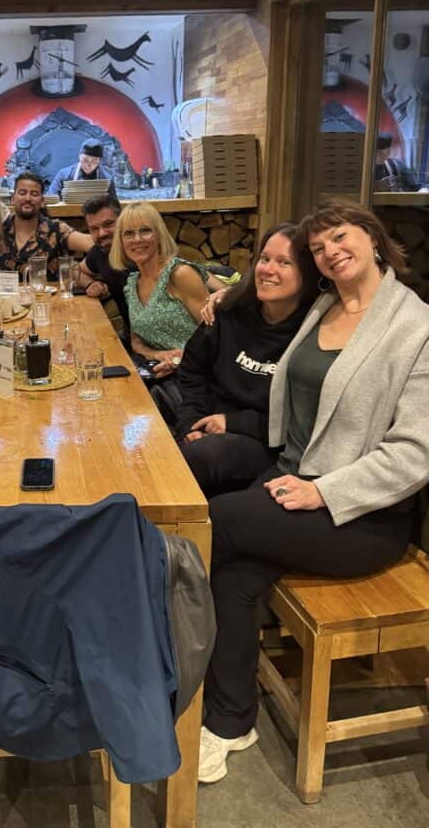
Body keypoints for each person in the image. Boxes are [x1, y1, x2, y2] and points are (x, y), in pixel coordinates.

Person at [199, 200, 429, 785]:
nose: (329, 252)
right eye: (320, 247)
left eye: (340, 237)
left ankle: (152, 664)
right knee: (236, 573)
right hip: (289, 479)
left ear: (373, 238)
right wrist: (222, 295)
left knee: (212, 523)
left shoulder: (416, 327)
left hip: (362, 516)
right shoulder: (324, 304)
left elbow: (415, 453)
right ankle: (230, 720)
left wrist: (324, 492)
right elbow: (263, 294)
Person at [174, 223, 318, 497]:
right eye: (264, 259)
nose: (268, 270)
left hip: (268, 442)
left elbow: (305, 419)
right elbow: (192, 372)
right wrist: (190, 425)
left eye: (284, 262)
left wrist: (233, 422)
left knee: (201, 457)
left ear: (308, 274)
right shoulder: (227, 312)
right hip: (206, 427)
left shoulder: (316, 333)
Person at [109, 202, 209, 379]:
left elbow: (216, 335)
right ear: (121, 242)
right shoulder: (131, 285)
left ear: (159, 235)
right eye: (129, 233)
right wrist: (159, 355)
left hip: (200, 375)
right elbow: (137, 343)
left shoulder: (179, 274)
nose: (137, 239)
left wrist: (179, 360)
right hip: (160, 374)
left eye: (145, 230)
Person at [0, 171, 93, 281]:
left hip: (45, 297)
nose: (28, 198)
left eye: (34, 194)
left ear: (42, 201)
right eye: (22, 193)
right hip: (2, 297)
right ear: (12, 199)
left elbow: (92, 243)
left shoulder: (56, 229)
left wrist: (82, 269)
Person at [75, 194, 133, 336]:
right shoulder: (100, 252)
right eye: (94, 228)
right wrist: (90, 284)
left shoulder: (140, 250)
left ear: (122, 221)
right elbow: (77, 271)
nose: (101, 233)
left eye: (108, 224)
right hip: (131, 335)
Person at [48, 140, 116, 197]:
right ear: (79, 157)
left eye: (94, 161)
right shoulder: (64, 174)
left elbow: (113, 205)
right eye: (85, 160)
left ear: (100, 161)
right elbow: (51, 200)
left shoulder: (107, 178)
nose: (89, 165)